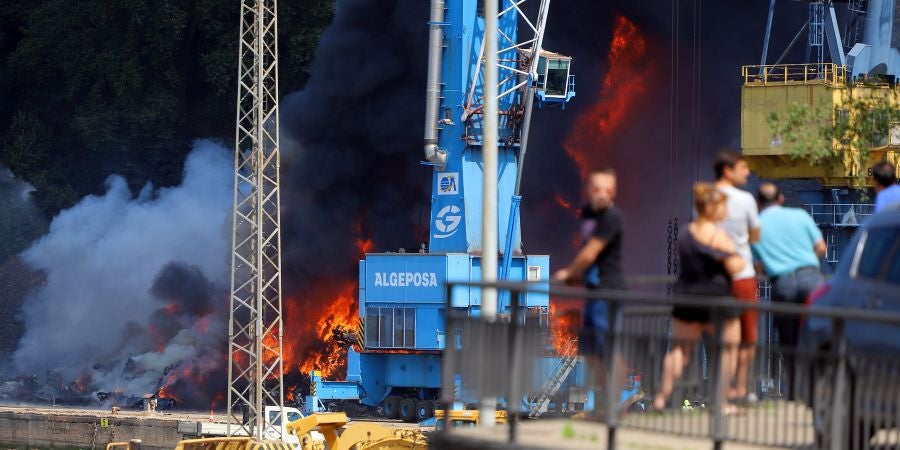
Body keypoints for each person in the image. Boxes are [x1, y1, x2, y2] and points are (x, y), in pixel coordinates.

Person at [653, 183, 744, 413]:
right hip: (716, 301)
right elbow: (735, 266)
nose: (726, 212)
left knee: (680, 351)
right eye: (723, 207)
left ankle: (661, 398)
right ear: (711, 209)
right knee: (728, 348)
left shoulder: (685, 233)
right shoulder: (718, 236)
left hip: (686, 298)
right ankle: (721, 402)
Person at [552, 168, 627, 400]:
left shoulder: (612, 218)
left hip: (609, 291)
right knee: (592, 352)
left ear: (614, 192)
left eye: (607, 189)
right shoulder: (587, 215)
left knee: (608, 350)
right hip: (593, 293)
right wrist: (578, 277)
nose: (602, 194)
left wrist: (569, 273)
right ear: (588, 190)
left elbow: (590, 253)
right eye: (597, 189)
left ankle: (613, 403)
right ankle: (603, 404)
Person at [751, 183, 825, 385]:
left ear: (758, 203)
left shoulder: (755, 227)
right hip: (811, 278)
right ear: (781, 199)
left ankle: (792, 390)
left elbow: (758, 266)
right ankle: (817, 386)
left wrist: (773, 269)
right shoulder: (800, 216)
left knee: (788, 339)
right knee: (816, 332)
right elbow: (821, 247)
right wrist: (808, 263)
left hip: (782, 282)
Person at [713, 150, 760, 403]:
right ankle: (740, 389)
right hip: (742, 274)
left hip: (716, 277)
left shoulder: (706, 198)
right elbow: (755, 236)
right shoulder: (746, 200)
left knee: (723, 338)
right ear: (728, 170)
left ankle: (721, 394)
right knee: (747, 335)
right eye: (743, 167)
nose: (748, 172)